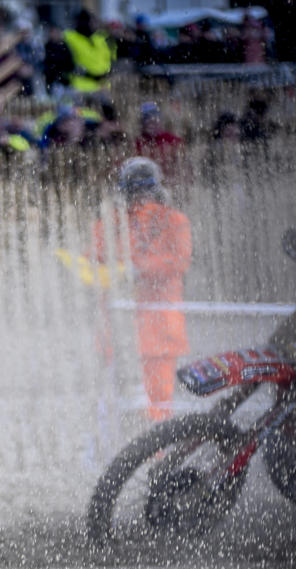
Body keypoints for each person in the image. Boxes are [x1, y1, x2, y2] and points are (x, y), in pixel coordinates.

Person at [93, 157, 192, 422]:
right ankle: (143, 437)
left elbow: (178, 261)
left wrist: (137, 269)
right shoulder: (114, 222)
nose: (140, 198)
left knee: (150, 400)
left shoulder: (171, 221)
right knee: (132, 400)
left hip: (150, 326)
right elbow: (94, 259)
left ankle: (149, 440)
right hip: (131, 326)